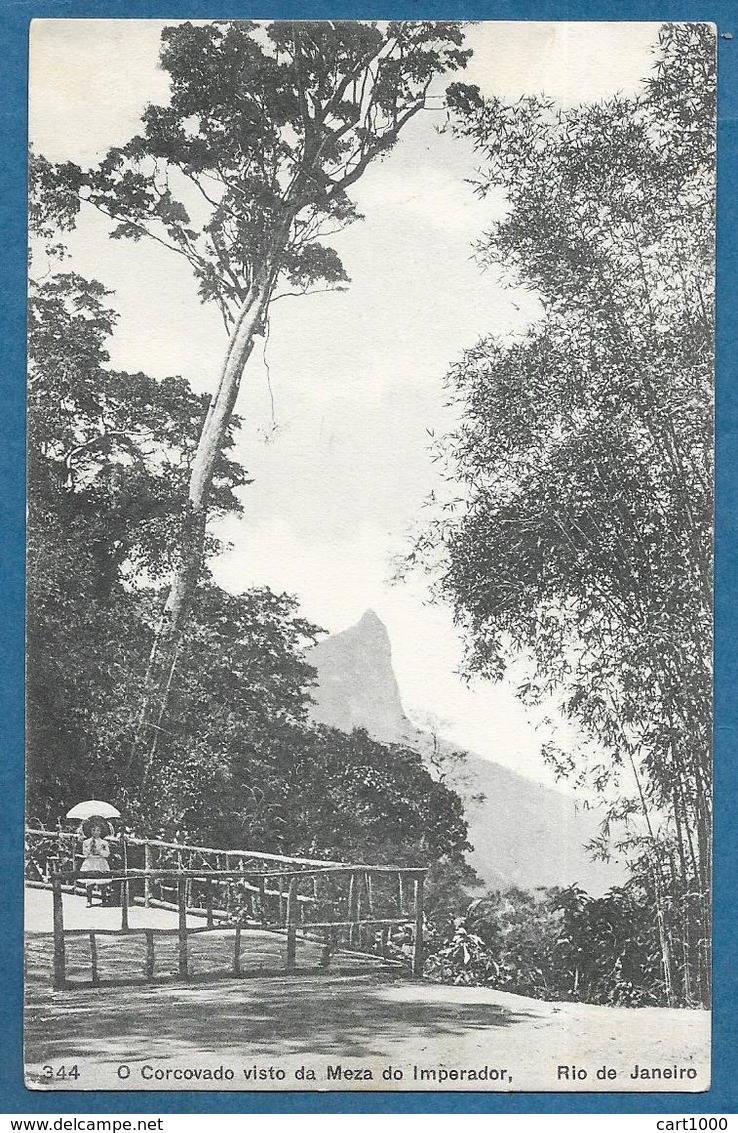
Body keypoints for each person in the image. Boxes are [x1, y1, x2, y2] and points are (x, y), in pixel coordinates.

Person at [80, 821, 111, 907]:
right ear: (90, 831)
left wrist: (100, 851)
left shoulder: (104, 843)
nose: (95, 832)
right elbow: (84, 853)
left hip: (100, 862)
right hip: (90, 862)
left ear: (101, 832)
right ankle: (89, 900)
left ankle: (103, 900)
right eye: (93, 830)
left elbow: (107, 853)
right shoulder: (86, 842)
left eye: (98, 830)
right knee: (89, 882)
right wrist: (90, 849)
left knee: (102, 882)